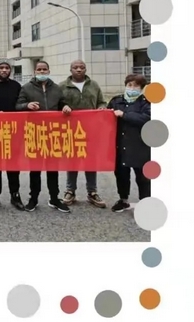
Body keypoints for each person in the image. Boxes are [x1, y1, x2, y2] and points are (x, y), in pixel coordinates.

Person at [15, 60, 72, 213]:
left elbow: (62, 103)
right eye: (39, 70)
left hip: (53, 133)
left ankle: (54, 198)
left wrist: (65, 106)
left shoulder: (56, 88)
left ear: (48, 71)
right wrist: (26, 106)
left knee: (53, 168)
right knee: (35, 169)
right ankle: (33, 198)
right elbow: (17, 106)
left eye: (44, 69)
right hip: (34, 133)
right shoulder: (26, 88)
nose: (42, 72)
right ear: (35, 72)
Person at [59, 60, 107, 208]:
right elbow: (57, 104)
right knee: (72, 160)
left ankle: (92, 192)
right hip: (70, 130)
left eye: (82, 67)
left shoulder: (94, 85)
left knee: (90, 160)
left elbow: (102, 102)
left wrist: (101, 108)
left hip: (91, 129)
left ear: (85, 69)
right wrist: (64, 106)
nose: (79, 70)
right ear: (70, 69)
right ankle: (70, 191)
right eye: (75, 67)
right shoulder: (62, 86)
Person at [107, 74, 152, 212]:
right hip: (120, 145)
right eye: (129, 85)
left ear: (141, 88)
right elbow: (106, 117)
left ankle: (145, 201)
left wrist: (125, 115)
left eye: (136, 86)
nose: (132, 88)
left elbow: (148, 118)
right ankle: (123, 200)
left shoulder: (146, 103)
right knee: (121, 174)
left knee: (142, 177)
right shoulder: (116, 101)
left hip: (139, 145)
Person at [0, 59, 24, 211]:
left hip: (13, 131)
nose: (4, 70)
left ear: (10, 70)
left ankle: (15, 194)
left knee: (13, 165)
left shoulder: (16, 86)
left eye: (7, 67)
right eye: (1, 67)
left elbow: (20, 106)